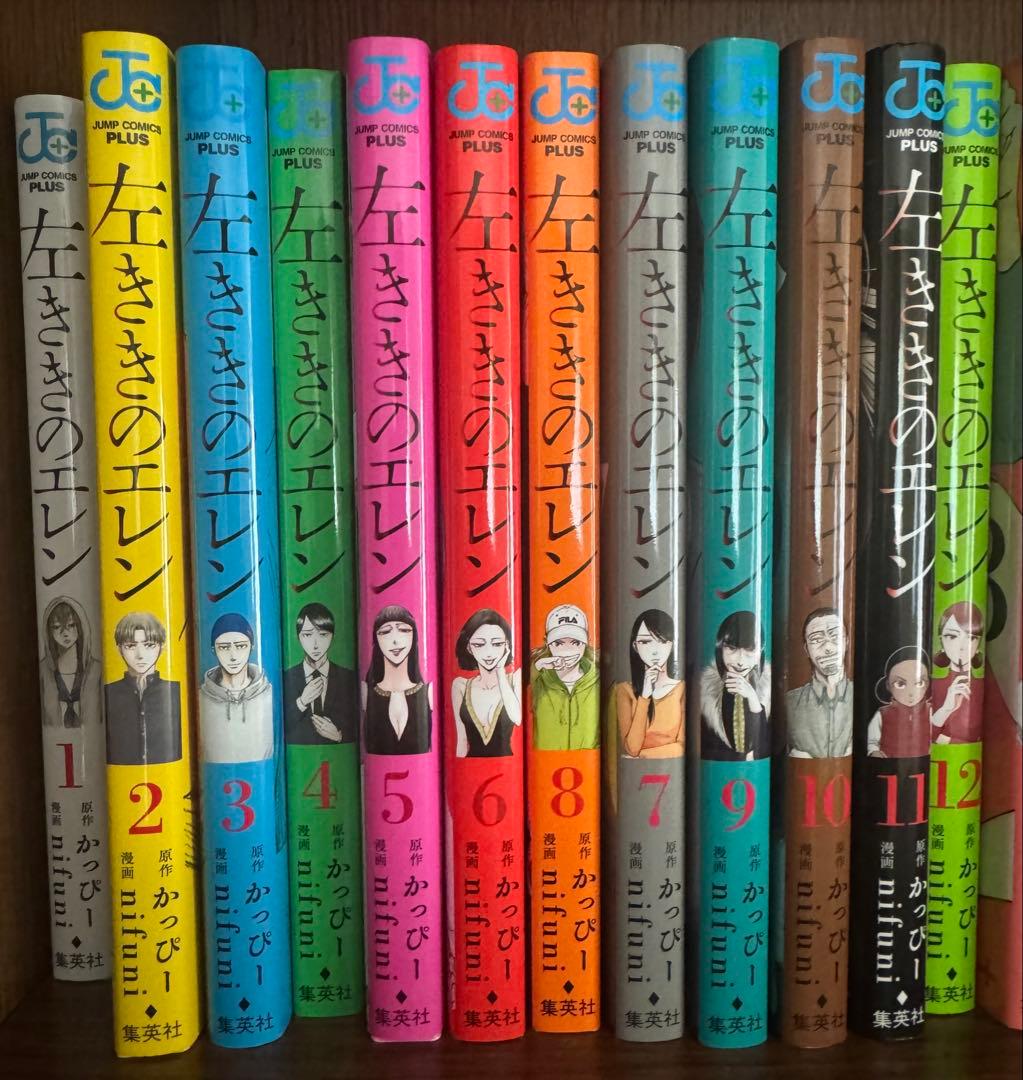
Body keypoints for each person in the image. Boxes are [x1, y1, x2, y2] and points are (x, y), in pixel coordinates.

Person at [105, 611, 181, 766]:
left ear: (162, 646)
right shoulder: (108, 693)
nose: (140, 655)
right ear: (119, 649)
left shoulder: (174, 691)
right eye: (130, 646)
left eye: (149, 645)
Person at [199, 612, 274, 764]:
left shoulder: (268, 694)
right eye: (224, 647)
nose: (233, 656)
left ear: (252, 647)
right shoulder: (202, 698)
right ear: (214, 650)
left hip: (260, 774)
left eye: (240, 646)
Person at [613, 609, 684, 758]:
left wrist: (643, 755)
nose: (654, 651)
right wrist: (644, 697)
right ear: (635, 646)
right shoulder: (623, 690)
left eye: (662, 641)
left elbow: (681, 747)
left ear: (672, 645)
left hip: (667, 768)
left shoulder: (681, 689)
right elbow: (632, 748)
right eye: (645, 642)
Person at [284, 602, 358, 745]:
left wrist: (339, 736)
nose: (315, 644)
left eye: (323, 635)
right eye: (307, 635)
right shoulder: (287, 677)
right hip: (300, 754)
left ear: (332, 636)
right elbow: (277, 728)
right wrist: (302, 702)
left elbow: (359, 723)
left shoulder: (347, 678)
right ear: (298, 637)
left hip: (338, 755)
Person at [700, 610, 771, 761]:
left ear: (760, 651)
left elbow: (764, 749)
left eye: (750, 650)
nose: (740, 661)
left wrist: (753, 699)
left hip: (755, 771)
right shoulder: (706, 690)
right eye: (732, 648)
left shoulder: (768, 688)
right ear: (720, 648)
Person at [451, 609, 521, 758]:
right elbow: (462, 742)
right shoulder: (460, 686)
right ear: (469, 648)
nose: (489, 653)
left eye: (497, 644)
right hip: (470, 767)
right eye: (479, 645)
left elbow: (517, 718)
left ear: (507, 645)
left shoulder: (515, 679)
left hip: (506, 766)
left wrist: (500, 672)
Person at [363, 605, 432, 755]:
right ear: (376, 639)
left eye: (404, 630)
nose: (395, 641)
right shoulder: (366, 692)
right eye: (385, 632)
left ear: (414, 635)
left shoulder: (428, 693)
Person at [785, 607, 853, 758]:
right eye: (816, 640)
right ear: (807, 649)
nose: (828, 648)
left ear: (847, 641)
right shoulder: (790, 702)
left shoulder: (860, 697)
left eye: (835, 636)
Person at [531, 603, 599, 751]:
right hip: (545, 761)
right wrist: (538, 666)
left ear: (587, 642)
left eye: (576, 642)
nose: (567, 650)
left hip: (586, 762)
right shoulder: (538, 680)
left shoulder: (598, 681)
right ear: (547, 643)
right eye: (558, 643)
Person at [39, 596, 101, 730]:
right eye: (57, 627)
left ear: (80, 626)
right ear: (49, 631)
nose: (65, 633)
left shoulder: (97, 671)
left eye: (71, 625)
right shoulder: (43, 671)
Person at [930, 601, 984, 744]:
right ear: (941, 641)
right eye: (952, 636)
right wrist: (946, 709)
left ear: (979, 644)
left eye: (971, 637)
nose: (962, 646)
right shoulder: (931, 685)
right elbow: (922, 736)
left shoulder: (984, 686)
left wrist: (946, 739)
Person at [866, 646, 931, 758]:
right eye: (900, 684)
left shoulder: (930, 711)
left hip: (924, 763)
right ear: (888, 685)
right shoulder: (882, 714)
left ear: (927, 684)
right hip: (890, 764)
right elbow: (872, 741)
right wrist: (874, 752)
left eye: (919, 683)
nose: (911, 692)